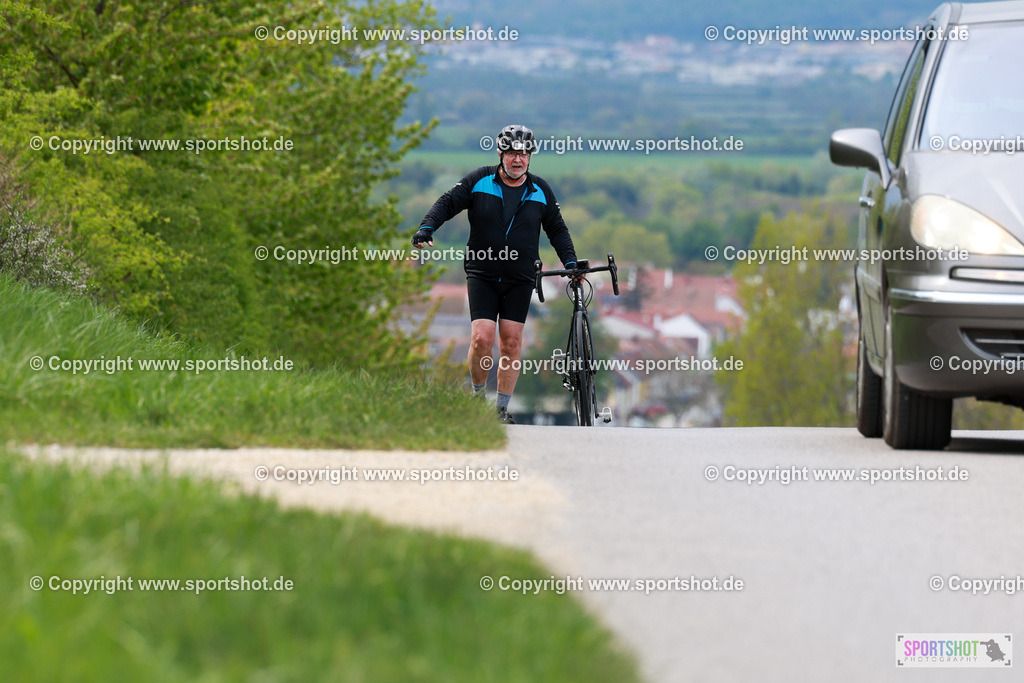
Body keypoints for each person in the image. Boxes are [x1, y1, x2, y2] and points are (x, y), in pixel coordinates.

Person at [412, 124, 578, 423]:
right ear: (501, 154)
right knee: (481, 339)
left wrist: (571, 263)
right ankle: (477, 399)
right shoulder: (479, 181)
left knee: (512, 342)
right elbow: (447, 203)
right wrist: (427, 227)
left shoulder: (540, 190)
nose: (519, 160)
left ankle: (501, 409)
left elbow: (557, 229)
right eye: (513, 153)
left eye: (524, 154)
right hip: (483, 272)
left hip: (520, 276)